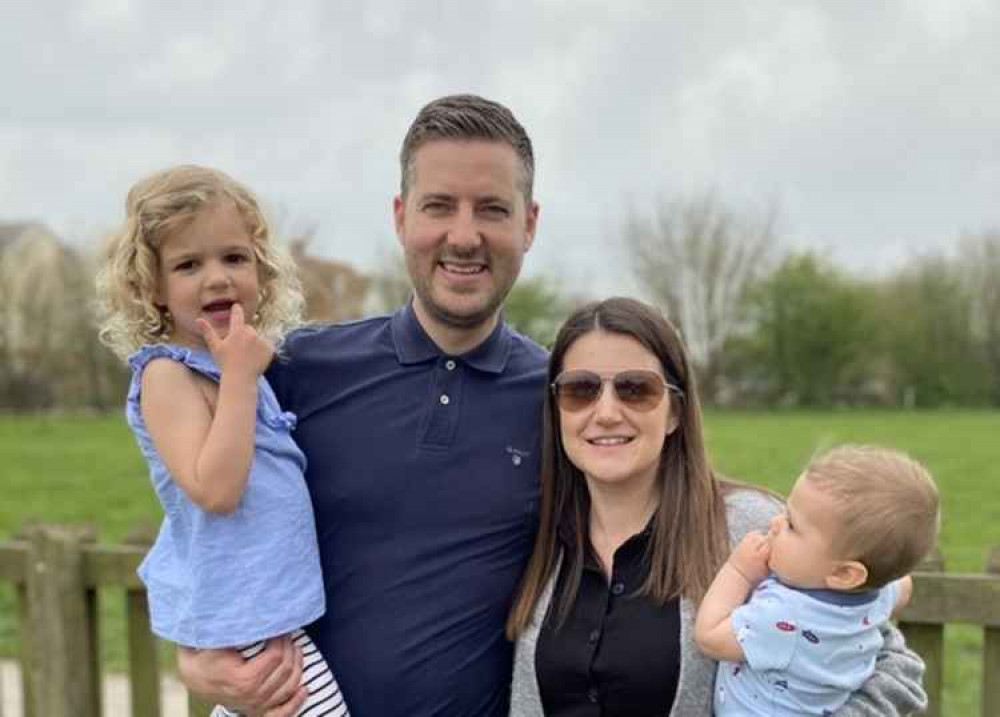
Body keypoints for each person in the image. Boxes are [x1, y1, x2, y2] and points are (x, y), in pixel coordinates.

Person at [175, 94, 547, 717]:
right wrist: (193, 658)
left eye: (492, 209)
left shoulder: (566, 401)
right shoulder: (294, 372)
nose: (463, 235)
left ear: (528, 224)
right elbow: (203, 529)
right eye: (438, 206)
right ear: (401, 217)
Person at [507, 297, 929, 716]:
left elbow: (895, 670)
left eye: (636, 389)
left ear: (675, 411)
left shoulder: (757, 531)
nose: (606, 412)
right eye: (580, 389)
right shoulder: (529, 534)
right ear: (556, 407)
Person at [96, 165, 349, 717]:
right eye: (188, 264)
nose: (217, 278)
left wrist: (239, 373)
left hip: (269, 610)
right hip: (242, 609)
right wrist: (238, 379)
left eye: (234, 258)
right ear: (153, 289)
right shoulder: (168, 374)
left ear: (262, 270)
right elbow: (215, 490)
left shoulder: (236, 365)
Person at [694, 445, 939, 716]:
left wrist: (738, 571)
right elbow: (904, 587)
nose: (774, 523)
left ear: (844, 575)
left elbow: (710, 636)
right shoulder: (877, 595)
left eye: (792, 525)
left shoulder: (783, 617)